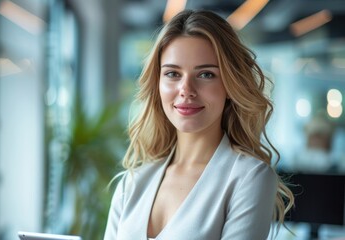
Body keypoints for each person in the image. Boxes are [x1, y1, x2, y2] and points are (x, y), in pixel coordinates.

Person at [104, 9, 294, 240]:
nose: (186, 90)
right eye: (173, 74)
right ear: (158, 84)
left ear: (230, 85)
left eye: (206, 75)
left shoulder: (249, 177)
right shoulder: (132, 183)